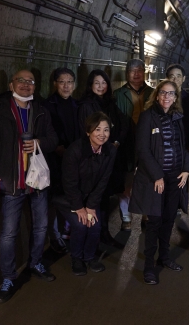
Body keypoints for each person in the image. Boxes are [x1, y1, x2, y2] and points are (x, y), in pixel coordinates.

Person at [0, 70, 59, 303]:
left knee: (41, 227)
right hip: (11, 180)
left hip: (38, 181)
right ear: (11, 83)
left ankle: (34, 263)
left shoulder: (41, 109)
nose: (25, 85)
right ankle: (8, 277)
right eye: (21, 81)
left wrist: (38, 142)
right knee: (8, 233)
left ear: (35, 86)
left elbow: (54, 139)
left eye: (31, 82)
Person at [129, 80, 189, 285]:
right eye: (163, 93)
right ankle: (149, 265)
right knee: (154, 221)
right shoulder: (148, 117)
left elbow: (183, 147)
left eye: (171, 94)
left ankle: (164, 257)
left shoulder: (178, 118)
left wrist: (186, 169)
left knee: (168, 219)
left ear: (175, 98)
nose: (166, 97)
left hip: (175, 178)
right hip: (154, 179)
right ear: (157, 95)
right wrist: (157, 175)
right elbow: (142, 149)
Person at [61, 112, 117, 275]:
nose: (102, 134)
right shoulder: (75, 150)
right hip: (69, 197)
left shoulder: (110, 151)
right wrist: (79, 207)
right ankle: (77, 258)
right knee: (80, 225)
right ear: (88, 131)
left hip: (91, 197)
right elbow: (69, 183)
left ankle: (89, 257)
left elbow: (103, 181)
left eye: (106, 130)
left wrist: (91, 206)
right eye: (97, 129)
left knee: (94, 224)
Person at [78, 70, 128, 243]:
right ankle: (94, 235)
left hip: (109, 156)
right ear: (90, 85)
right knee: (94, 197)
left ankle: (104, 232)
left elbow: (123, 124)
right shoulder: (86, 105)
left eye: (104, 82)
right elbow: (85, 132)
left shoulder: (110, 103)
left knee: (105, 195)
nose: (101, 86)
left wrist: (116, 143)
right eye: (96, 83)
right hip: (94, 158)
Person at [42, 67, 80, 254]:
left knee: (68, 195)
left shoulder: (77, 105)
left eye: (70, 82)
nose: (66, 86)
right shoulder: (46, 105)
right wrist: (56, 147)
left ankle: (68, 231)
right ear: (55, 83)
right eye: (62, 82)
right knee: (52, 200)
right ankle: (54, 236)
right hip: (52, 161)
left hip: (72, 160)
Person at [114, 59, 154, 230]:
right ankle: (126, 217)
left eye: (140, 70)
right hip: (126, 143)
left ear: (145, 72)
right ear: (126, 73)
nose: (136, 74)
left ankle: (147, 215)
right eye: (132, 70)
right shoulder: (118, 94)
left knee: (148, 180)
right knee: (126, 182)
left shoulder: (153, 93)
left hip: (148, 143)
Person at [166, 64, 189, 155]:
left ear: (183, 78)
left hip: (184, 142)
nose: (175, 79)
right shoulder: (163, 98)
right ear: (167, 78)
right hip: (165, 142)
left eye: (178, 76)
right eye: (172, 76)